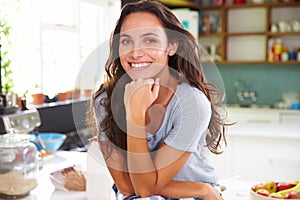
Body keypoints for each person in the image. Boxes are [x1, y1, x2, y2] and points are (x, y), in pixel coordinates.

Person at [90, 0, 228, 199]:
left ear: (171, 46)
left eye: (150, 41)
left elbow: (144, 187)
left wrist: (202, 191)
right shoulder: (105, 100)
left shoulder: (191, 103)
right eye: (126, 41)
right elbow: (129, 187)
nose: (136, 53)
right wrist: (201, 189)